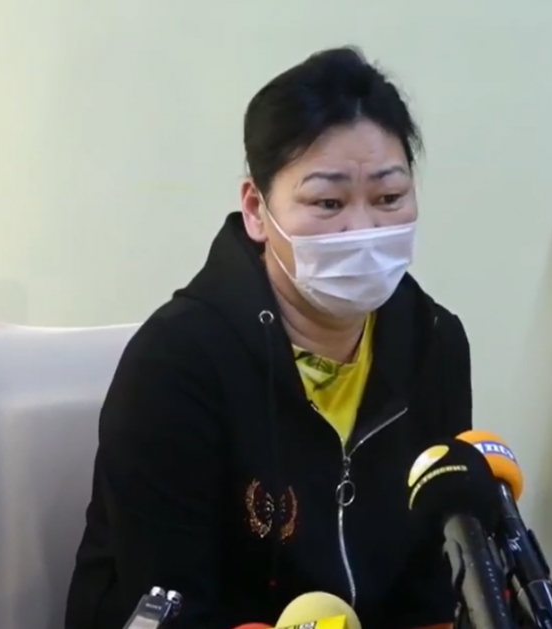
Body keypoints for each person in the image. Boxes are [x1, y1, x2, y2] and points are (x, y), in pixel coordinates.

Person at [65, 47, 473, 629]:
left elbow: (430, 581)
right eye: (327, 202)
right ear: (257, 210)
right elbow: (169, 603)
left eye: (389, 198)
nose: (362, 230)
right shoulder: (176, 363)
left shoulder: (434, 344)